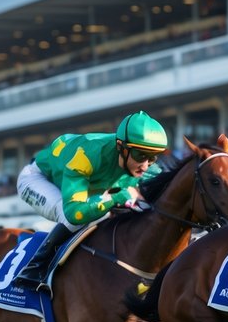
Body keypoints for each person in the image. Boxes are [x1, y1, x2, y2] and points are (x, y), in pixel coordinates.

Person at [12, 110, 169, 292]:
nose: (146, 165)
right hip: (39, 179)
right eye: (140, 156)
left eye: (152, 157)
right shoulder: (86, 155)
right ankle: (35, 269)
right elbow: (75, 213)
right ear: (121, 147)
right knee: (75, 216)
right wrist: (116, 198)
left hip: (86, 186)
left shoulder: (147, 167)